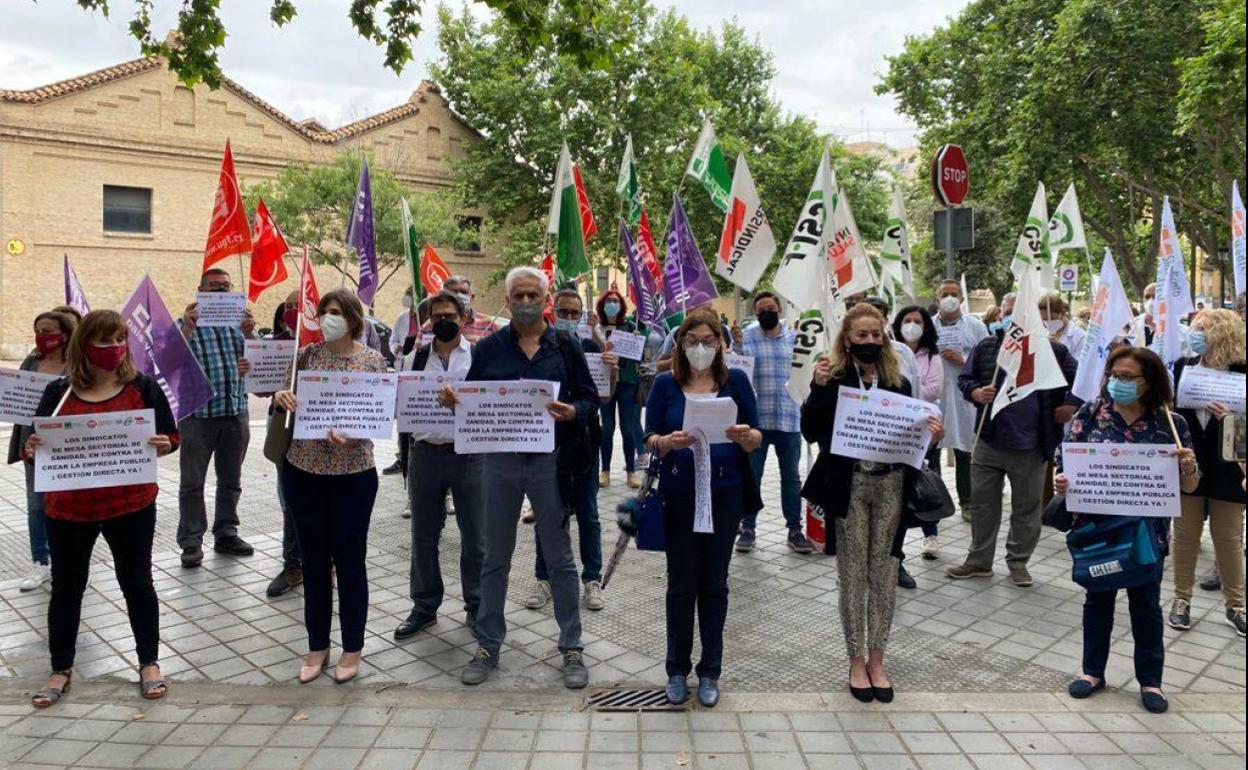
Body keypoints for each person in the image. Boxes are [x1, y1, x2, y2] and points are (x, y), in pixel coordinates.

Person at [440, 267, 598, 689]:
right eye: (519, 296)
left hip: (551, 462)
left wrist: (573, 411)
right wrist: (453, 400)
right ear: (507, 302)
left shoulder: (565, 345)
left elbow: (589, 398)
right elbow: (471, 399)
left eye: (533, 294)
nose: (526, 302)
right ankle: (489, 642)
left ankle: (571, 645)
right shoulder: (490, 348)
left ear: (544, 300)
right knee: (495, 555)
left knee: (560, 557)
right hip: (500, 462)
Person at [24, 310, 179, 707]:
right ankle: (60, 668)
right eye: (103, 341)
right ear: (83, 345)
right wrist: (32, 450)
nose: (113, 349)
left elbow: (171, 434)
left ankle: (149, 662)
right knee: (67, 588)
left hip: (131, 505)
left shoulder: (142, 387)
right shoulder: (58, 392)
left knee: (137, 582)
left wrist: (166, 443)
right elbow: (35, 447)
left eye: (119, 339)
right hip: (69, 510)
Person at [800, 304, 943, 703]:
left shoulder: (896, 381)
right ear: (847, 339)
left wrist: (932, 434)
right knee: (853, 575)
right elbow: (810, 431)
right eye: (860, 335)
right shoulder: (836, 377)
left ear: (884, 338)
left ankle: (878, 659)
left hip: (891, 487)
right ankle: (855, 659)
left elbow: (914, 433)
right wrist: (817, 387)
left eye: (875, 335)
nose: (868, 342)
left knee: (884, 573)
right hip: (849, 488)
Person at [1055, 346, 1199, 713]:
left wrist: (1187, 468)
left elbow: (1191, 487)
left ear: (1148, 382)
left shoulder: (1171, 423)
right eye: (1114, 375)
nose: (1118, 383)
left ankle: (1151, 681)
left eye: (1128, 377)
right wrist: (1062, 480)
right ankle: (1092, 673)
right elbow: (1065, 459)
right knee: (1097, 598)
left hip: (1145, 534)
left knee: (1146, 605)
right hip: (1097, 531)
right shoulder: (1090, 414)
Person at [645, 309, 761, 707]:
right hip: (678, 494)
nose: (700, 348)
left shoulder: (737, 381)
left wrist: (746, 436)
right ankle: (676, 668)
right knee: (681, 584)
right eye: (692, 340)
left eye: (708, 340)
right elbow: (649, 437)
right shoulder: (665, 384)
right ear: (680, 344)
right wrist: (667, 442)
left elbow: (756, 435)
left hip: (725, 493)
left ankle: (710, 670)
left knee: (714, 583)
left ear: (720, 343)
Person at [274, 290, 385, 684]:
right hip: (303, 472)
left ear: (354, 318)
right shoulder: (305, 357)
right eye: (325, 311)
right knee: (314, 562)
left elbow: (378, 414)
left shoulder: (372, 361)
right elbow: (283, 399)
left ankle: (352, 647)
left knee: (350, 561)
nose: (329, 317)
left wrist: (356, 436)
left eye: (338, 312)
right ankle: (316, 645)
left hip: (353, 475)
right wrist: (281, 396)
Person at [948, 295, 1078, 587]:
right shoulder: (987, 347)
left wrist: (1070, 406)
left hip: (1031, 446)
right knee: (983, 506)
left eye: (1017, 315)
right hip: (989, 441)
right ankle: (978, 561)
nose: (1009, 320)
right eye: (1006, 315)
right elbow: (965, 379)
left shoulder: (1053, 352)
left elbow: (1081, 379)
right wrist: (975, 393)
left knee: (1026, 509)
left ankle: (1018, 562)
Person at [393, 291, 486, 641]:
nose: (444, 321)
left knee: (476, 535)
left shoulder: (479, 357)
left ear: (463, 319)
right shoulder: (414, 360)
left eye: (451, 315)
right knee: (424, 534)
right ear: (429, 321)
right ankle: (424, 607)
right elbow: (398, 405)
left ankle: (476, 606)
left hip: (469, 456)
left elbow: (490, 404)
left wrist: (463, 402)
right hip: (426, 455)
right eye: (437, 316)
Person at [525, 289, 617, 613]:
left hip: (582, 445)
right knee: (549, 515)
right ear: (552, 311)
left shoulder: (592, 347)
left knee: (588, 514)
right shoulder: (536, 347)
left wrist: (613, 369)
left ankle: (592, 579)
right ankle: (544, 578)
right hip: (544, 446)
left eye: (573, 313)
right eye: (562, 312)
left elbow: (601, 398)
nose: (567, 318)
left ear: (581, 315)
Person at [1168, 309, 1246, 636]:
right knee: (1184, 537)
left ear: (1221, 334)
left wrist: (1232, 418)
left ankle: (1236, 605)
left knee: (1228, 539)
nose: (1194, 335)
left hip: (1230, 467)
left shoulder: (1243, 371)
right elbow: (1172, 414)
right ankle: (1181, 600)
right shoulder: (1183, 366)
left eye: (1201, 329)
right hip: (1189, 464)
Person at [178, 268, 256, 568]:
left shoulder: (240, 325)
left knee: (231, 480)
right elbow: (168, 359)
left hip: (235, 413)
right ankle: (191, 541)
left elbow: (260, 366)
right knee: (192, 483)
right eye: (214, 286)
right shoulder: (185, 324)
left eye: (226, 286)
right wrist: (187, 328)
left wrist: (251, 335)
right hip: (198, 417)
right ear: (201, 289)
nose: (221, 291)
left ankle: (226, 533)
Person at [736, 291, 814, 554]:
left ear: (779, 309)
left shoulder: (796, 340)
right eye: (761, 310)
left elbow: (807, 373)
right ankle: (747, 527)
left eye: (770, 308)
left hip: (789, 418)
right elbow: (736, 370)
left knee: (791, 478)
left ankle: (794, 529)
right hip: (757, 421)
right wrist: (733, 347)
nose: (766, 313)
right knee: (752, 477)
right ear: (756, 313)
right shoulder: (746, 338)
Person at [9, 310, 78, 592]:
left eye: (48, 330)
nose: (42, 335)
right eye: (38, 329)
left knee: (68, 502)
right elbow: (16, 395)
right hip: (33, 443)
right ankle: (40, 562)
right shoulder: (32, 361)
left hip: (67, 443)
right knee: (37, 503)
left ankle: (69, 563)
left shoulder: (77, 363)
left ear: (64, 334)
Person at [894, 305, 944, 566]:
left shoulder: (932, 356)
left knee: (926, 482)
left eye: (917, 321)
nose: (911, 325)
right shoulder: (889, 351)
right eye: (907, 320)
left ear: (925, 327)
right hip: (895, 429)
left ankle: (931, 535)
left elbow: (934, 389)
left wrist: (905, 393)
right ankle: (896, 552)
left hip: (925, 427)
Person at [262, 292, 303, 598]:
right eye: (288, 306)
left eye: (298, 306)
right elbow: (264, 389)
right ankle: (293, 566)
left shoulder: (317, 347)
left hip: (320, 431)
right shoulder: (273, 342)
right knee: (290, 498)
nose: (292, 311)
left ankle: (324, 563)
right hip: (283, 423)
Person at [595, 289, 642, 489]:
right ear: (602, 305)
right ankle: (605, 470)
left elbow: (638, 355)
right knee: (606, 428)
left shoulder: (631, 327)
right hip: (605, 383)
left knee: (628, 428)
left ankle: (631, 471)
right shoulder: (596, 328)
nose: (612, 303)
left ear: (621, 305)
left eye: (615, 300)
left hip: (627, 382)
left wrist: (638, 340)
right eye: (608, 301)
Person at [443, 275, 503, 343]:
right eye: (453, 292)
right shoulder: (433, 324)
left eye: (463, 292)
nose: (458, 296)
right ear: (444, 297)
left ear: (472, 297)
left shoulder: (489, 325)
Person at [1039, 292, 1086, 358]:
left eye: (1052, 318)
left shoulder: (1080, 337)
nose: (1048, 322)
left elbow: (1079, 366)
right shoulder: (1041, 333)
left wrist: (1061, 350)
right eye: (1044, 319)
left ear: (1063, 313)